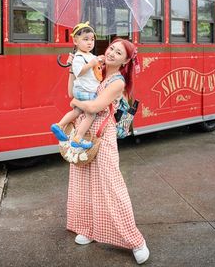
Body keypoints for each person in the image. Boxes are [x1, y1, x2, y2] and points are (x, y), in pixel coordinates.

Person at [66, 38, 150, 265]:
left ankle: (135, 241)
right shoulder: (95, 68)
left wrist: (78, 101)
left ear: (125, 61)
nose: (112, 53)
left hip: (103, 136)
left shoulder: (117, 82)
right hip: (83, 133)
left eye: (118, 52)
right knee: (83, 182)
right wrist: (73, 68)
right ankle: (88, 228)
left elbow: (94, 106)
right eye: (111, 48)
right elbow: (71, 91)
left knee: (111, 186)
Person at [51, 22, 102, 149]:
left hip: (84, 90)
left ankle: (59, 125)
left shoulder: (89, 55)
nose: (90, 42)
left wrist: (99, 60)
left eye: (92, 39)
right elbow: (79, 72)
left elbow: (95, 66)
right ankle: (78, 138)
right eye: (85, 39)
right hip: (85, 91)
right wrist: (91, 64)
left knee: (77, 110)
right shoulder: (79, 57)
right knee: (91, 114)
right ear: (75, 41)